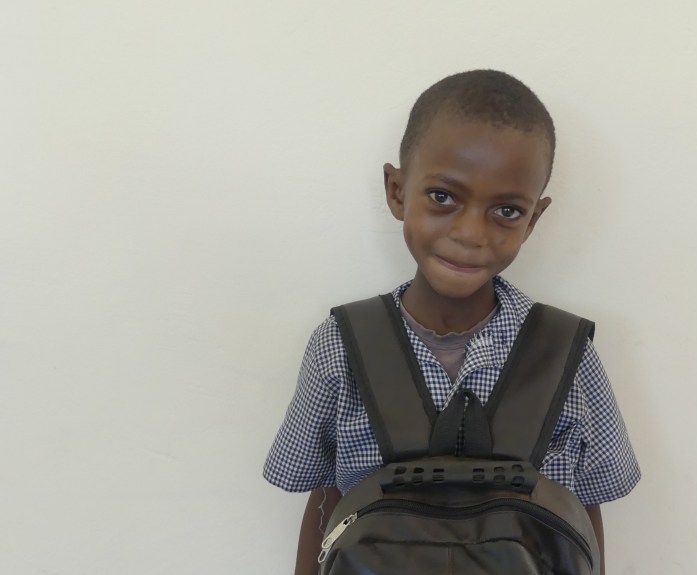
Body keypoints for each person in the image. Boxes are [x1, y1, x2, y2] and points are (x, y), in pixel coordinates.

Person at [263, 69, 640, 574]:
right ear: (397, 190)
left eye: (506, 210)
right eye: (443, 197)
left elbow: (582, 510)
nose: (469, 233)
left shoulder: (568, 353)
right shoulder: (341, 346)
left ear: (534, 219)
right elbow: (326, 498)